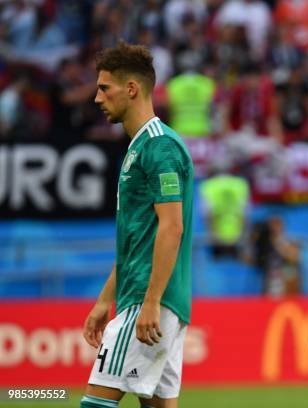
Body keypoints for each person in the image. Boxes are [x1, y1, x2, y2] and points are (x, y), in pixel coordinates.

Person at [81, 41, 194, 408]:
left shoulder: (159, 147)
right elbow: (136, 240)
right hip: (147, 298)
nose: (97, 98)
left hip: (148, 301)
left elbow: (171, 228)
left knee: (95, 403)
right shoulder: (138, 147)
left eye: (104, 88)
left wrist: (151, 302)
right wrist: (104, 299)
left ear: (131, 89)